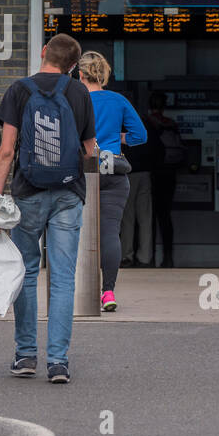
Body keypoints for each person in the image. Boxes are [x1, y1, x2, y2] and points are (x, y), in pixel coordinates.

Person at [0, 33, 98, 384]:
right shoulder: (79, 91)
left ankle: (25, 356)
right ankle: (58, 362)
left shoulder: (19, 90)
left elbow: (7, 150)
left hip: (28, 192)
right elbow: (89, 148)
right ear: (72, 66)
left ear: (42, 53)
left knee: (27, 273)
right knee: (64, 279)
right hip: (68, 193)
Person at [76, 52, 146, 311]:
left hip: (82, 171)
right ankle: (108, 292)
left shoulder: (74, 99)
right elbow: (140, 135)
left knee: (75, 231)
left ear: (80, 75)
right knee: (109, 233)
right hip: (114, 172)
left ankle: (76, 288)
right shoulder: (118, 100)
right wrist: (118, 138)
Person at [119, 103, 162, 268]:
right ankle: (145, 257)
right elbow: (158, 149)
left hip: (128, 173)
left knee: (127, 218)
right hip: (146, 173)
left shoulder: (122, 124)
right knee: (145, 217)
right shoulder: (147, 125)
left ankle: (126, 256)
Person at [147, 92, 180, 267]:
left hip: (152, 174)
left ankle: (147, 256)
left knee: (147, 217)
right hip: (170, 173)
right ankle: (168, 257)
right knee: (165, 216)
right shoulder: (171, 124)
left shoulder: (148, 123)